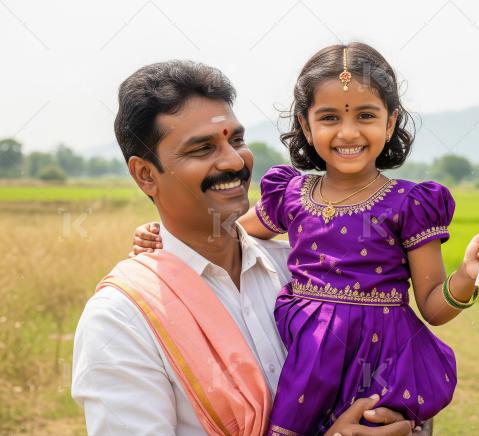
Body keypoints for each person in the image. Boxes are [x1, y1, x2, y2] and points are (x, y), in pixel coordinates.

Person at [133, 43, 479, 434]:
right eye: (329, 117)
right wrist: (158, 235)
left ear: (391, 122)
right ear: (306, 125)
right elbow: (225, 231)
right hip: (309, 352)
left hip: (379, 355)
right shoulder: (291, 194)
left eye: (366, 115)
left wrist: (467, 273)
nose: (348, 132)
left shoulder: (410, 204)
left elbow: (432, 308)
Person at [72, 60, 417, 436]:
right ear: (146, 175)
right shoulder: (121, 320)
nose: (234, 161)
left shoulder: (302, 270)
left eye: (236, 140)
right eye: (202, 149)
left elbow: (388, 366)